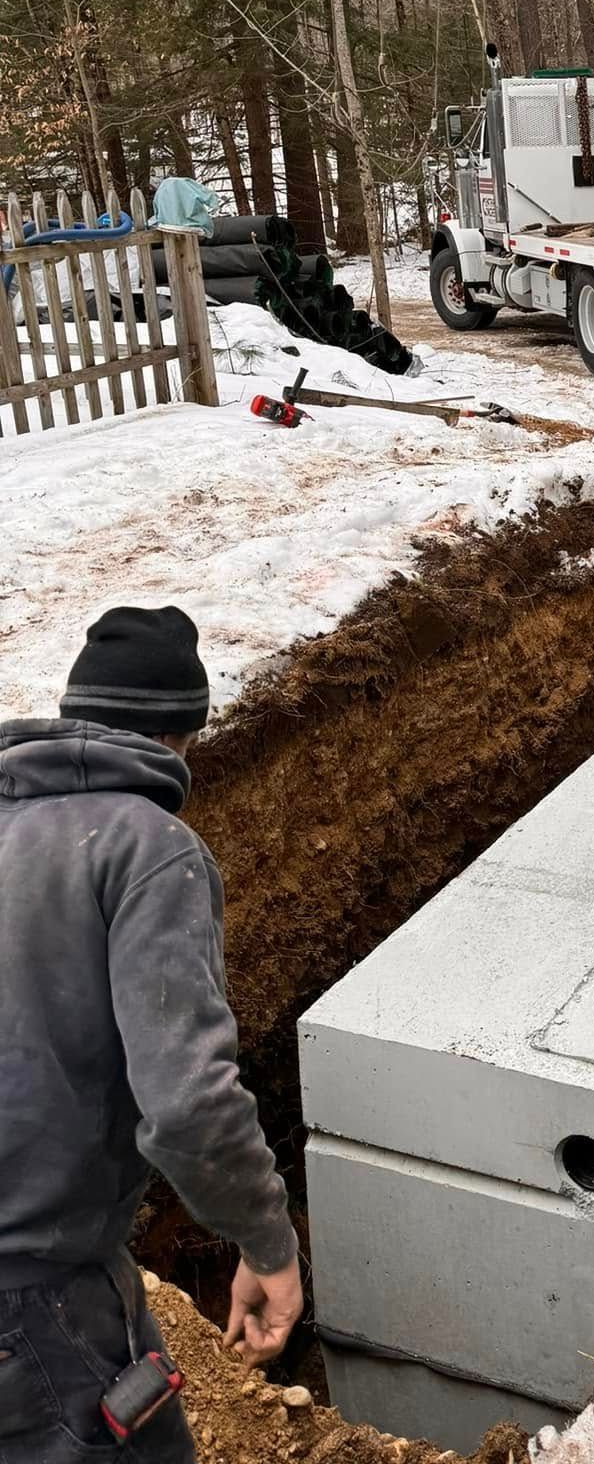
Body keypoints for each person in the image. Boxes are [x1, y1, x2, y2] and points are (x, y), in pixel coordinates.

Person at [0, 607, 301, 1462]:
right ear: (181, 737)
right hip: (34, 1294)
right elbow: (189, 1105)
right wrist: (269, 1244)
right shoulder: (147, 848)